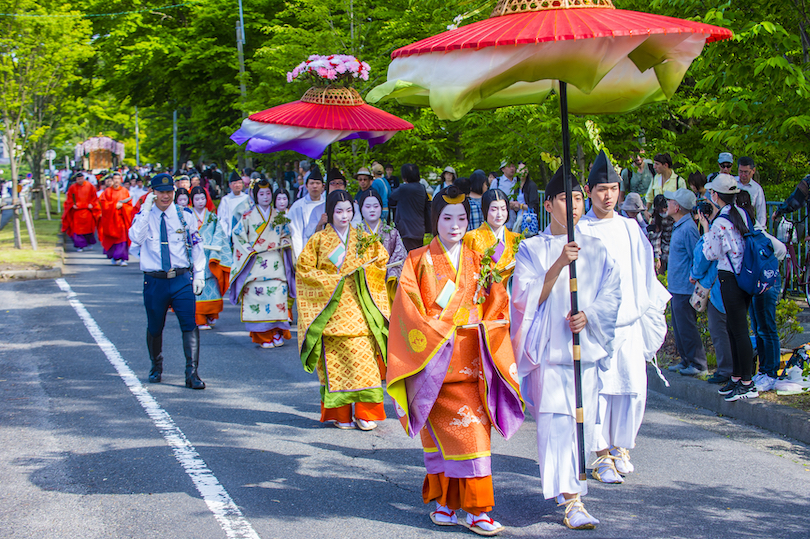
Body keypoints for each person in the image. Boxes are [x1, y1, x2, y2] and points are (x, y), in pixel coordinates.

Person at [386, 184, 523, 536]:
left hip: (470, 366)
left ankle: (478, 510)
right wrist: (442, 327)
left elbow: (497, 308)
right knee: (438, 442)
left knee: (474, 438)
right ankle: (446, 503)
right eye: (447, 218)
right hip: (431, 365)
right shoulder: (417, 261)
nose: (455, 225)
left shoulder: (479, 262)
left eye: (462, 218)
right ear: (435, 220)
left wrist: (484, 323)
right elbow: (406, 312)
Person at [511, 166, 621, 530]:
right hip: (550, 355)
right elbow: (525, 301)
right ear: (548, 204)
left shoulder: (596, 248)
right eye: (564, 198)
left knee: (580, 423)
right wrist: (558, 263)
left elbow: (611, 293)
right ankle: (573, 500)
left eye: (577, 198)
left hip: (583, 351)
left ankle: (569, 488)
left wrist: (589, 316)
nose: (573, 205)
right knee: (556, 424)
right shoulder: (531, 248)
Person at [579, 150, 670, 482]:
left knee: (631, 387)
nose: (608, 196)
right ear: (589, 191)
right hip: (596, 327)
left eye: (613, 189)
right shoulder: (581, 230)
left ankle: (621, 446)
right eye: (601, 189)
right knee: (599, 389)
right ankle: (600, 452)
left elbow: (645, 273)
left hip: (628, 323)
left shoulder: (631, 229)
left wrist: (647, 309)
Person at [296, 190, 390, 430]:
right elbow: (304, 271)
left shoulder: (363, 237)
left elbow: (381, 260)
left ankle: (366, 413)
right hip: (330, 312)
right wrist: (332, 280)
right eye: (339, 211)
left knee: (364, 365)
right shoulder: (318, 240)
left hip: (360, 310)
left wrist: (366, 271)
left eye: (349, 210)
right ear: (329, 213)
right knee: (336, 367)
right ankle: (341, 414)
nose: (345, 216)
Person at [128, 173, 207, 390]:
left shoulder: (185, 216)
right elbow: (135, 238)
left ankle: (192, 373)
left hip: (180, 278)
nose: (166, 196)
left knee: (189, 325)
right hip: (155, 281)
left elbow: (197, 246)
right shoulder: (143, 217)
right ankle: (156, 366)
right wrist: (145, 210)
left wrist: (199, 274)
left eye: (169, 191)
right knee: (155, 326)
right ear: (153, 193)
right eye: (161, 192)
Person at [698, 174, 759, 401]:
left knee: (738, 330)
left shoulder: (720, 222)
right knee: (736, 328)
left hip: (729, 278)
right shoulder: (741, 213)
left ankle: (746, 382)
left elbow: (711, 253)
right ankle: (737, 377)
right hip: (744, 276)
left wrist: (706, 228)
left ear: (715, 195)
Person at [229, 180, 296, 349]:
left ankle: (276, 333)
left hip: (275, 263)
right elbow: (237, 236)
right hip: (255, 262)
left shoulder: (279, 215)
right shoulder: (247, 216)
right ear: (255, 195)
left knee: (277, 296)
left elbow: (287, 234)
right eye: (261, 194)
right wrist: (249, 249)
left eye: (268, 194)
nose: (265, 197)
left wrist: (285, 242)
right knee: (257, 299)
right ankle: (264, 336)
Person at [737, 190, 786, 392]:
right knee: (758, 328)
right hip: (758, 285)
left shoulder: (757, 232)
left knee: (767, 328)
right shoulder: (746, 230)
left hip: (768, 283)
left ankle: (771, 372)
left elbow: (781, 249)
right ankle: (764, 371)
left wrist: (769, 269)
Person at [663, 189, 708, 376]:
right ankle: (685, 360)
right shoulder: (680, 226)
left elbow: (696, 255)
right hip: (676, 286)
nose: (667, 204)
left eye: (670, 201)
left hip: (684, 287)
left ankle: (698, 364)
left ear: (677, 206)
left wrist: (694, 278)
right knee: (679, 326)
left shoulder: (688, 228)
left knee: (687, 326)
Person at [691, 198, 734, 384]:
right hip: (734, 285)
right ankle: (737, 370)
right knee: (734, 330)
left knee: (719, 331)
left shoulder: (713, 229)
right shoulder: (733, 221)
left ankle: (725, 370)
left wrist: (694, 274)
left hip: (716, 287)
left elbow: (704, 259)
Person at [190, 186, 232, 331]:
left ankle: (211, 315)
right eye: (197, 199)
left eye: (203, 198)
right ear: (192, 200)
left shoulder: (212, 216)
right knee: (197, 289)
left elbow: (219, 234)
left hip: (210, 255)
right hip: (194, 255)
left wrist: (215, 250)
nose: (200, 202)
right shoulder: (189, 216)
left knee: (212, 286)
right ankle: (199, 318)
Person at [357, 190, 406, 305]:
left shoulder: (392, 232)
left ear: (381, 207)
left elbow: (401, 257)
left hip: (385, 280)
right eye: (367, 206)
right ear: (361, 209)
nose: (372, 210)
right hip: (363, 282)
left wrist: (391, 273)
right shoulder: (354, 233)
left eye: (376, 206)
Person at [463, 188, 521, 282]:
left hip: (509, 292)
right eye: (494, 209)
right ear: (485, 210)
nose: (499, 214)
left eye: (503, 209)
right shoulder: (471, 237)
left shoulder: (517, 239)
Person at [389, 163, 431, 252]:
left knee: (409, 258)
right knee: (417, 256)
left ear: (405, 176)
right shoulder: (421, 187)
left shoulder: (403, 189)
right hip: (419, 227)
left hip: (407, 229)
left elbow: (392, 197)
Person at [288, 167, 326, 261]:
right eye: (312, 183)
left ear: (323, 186)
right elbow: (295, 233)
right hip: (305, 248)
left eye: (318, 183)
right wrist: (299, 256)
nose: (315, 186)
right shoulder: (298, 206)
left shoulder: (328, 204)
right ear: (306, 186)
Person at [98, 172, 134, 266]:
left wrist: (122, 206)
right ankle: (114, 257)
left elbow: (129, 205)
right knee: (112, 238)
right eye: (115, 179)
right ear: (112, 180)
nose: (117, 181)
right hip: (111, 219)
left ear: (120, 179)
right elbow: (104, 204)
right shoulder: (107, 191)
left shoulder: (125, 191)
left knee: (122, 238)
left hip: (121, 219)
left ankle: (123, 258)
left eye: (118, 178)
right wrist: (114, 206)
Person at [62, 172, 100, 251]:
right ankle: (80, 245)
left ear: (84, 178)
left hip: (87, 211)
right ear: (76, 179)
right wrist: (72, 204)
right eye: (78, 179)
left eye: (81, 178)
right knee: (77, 230)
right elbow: (69, 198)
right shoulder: (72, 187)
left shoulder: (90, 186)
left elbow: (94, 197)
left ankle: (89, 242)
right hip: (77, 212)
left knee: (88, 229)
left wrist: (92, 204)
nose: (80, 180)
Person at [217, 172, 250, 240]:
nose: (237, 185)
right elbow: (222, 218)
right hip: (231, 232)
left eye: (239, 183)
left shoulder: (247, 198)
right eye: (235, 183)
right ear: (230, 185)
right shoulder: (226, 200)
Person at [510, 162, 540, 236]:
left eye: (525, 169)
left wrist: (520, 206)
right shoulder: (516, 186)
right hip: (518, 218)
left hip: (528, 220)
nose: (523, 172)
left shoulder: (531, 185)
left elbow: (533, 206)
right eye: (520, 169)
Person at [737, 156, 767, 228]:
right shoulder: (731, 182)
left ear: (753, 171)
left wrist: (761, 228)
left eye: (746, 172)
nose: (743, 175)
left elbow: (761, 212)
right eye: (741, 172)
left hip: (748, 225)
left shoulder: (757, 189)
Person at [647, 194, 674, 274]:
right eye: (661, 211)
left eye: (665, 210)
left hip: (673, 246)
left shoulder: (674, 216)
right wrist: (657, 256)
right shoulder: (656, 219)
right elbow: (656, 238)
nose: (664, 213)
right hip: (664, 247)